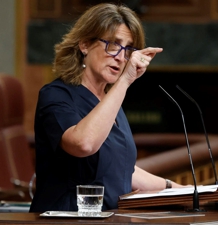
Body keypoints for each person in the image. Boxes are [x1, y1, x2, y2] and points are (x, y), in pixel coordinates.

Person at [29, 3, 186, 212]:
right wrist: (125, 81)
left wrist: (180, 190)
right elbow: (83, 144)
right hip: (65, 219)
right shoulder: (56, 95)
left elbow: (122, 170)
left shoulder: (109, 100)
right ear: (84, 44)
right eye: (113, 45)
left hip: (110, 218)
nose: (121, 57)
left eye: (128, 49)